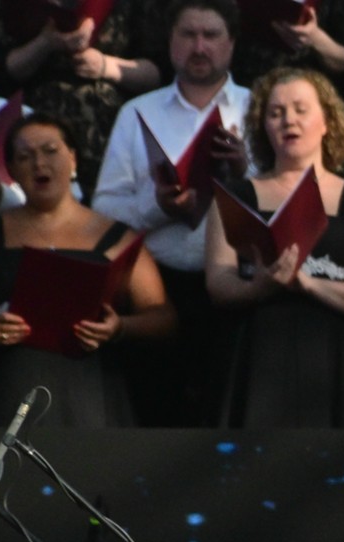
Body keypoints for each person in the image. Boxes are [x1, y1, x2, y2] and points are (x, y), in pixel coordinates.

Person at [91, 0, 249, 426]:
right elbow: (103, 209)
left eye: (211, 35)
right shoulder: (137, 112)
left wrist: (244, 174)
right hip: (156, 289)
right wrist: (156, 207)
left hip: (239, 286)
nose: (199, 46)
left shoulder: (259, 109)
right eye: (188, 34)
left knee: (227, 417)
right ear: (170, 41)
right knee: (156, 414)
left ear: (232, 43)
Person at [206, 66, 344, 426]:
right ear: (263, 126)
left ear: (326, 122)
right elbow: (218, 282)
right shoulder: (236, 197)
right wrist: (260, 286)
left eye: (300, 110)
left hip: (335, 354)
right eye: (276, 113)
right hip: (256, 353)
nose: (288, 120)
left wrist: (306, 283)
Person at [0, 113, 175, 425]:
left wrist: (119, 327)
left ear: (72, 158)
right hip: (9, 387)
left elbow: (162, 316)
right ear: (12, 170)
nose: (39, 163)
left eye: (50, 150)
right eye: (25, 156)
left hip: (92, 390)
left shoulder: (117, 236)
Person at [0, 0, 159, 192]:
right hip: (36, 128)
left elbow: (157, 74)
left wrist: (104, 65)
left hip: (103, 134)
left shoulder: (131, 6)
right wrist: (45, 43)